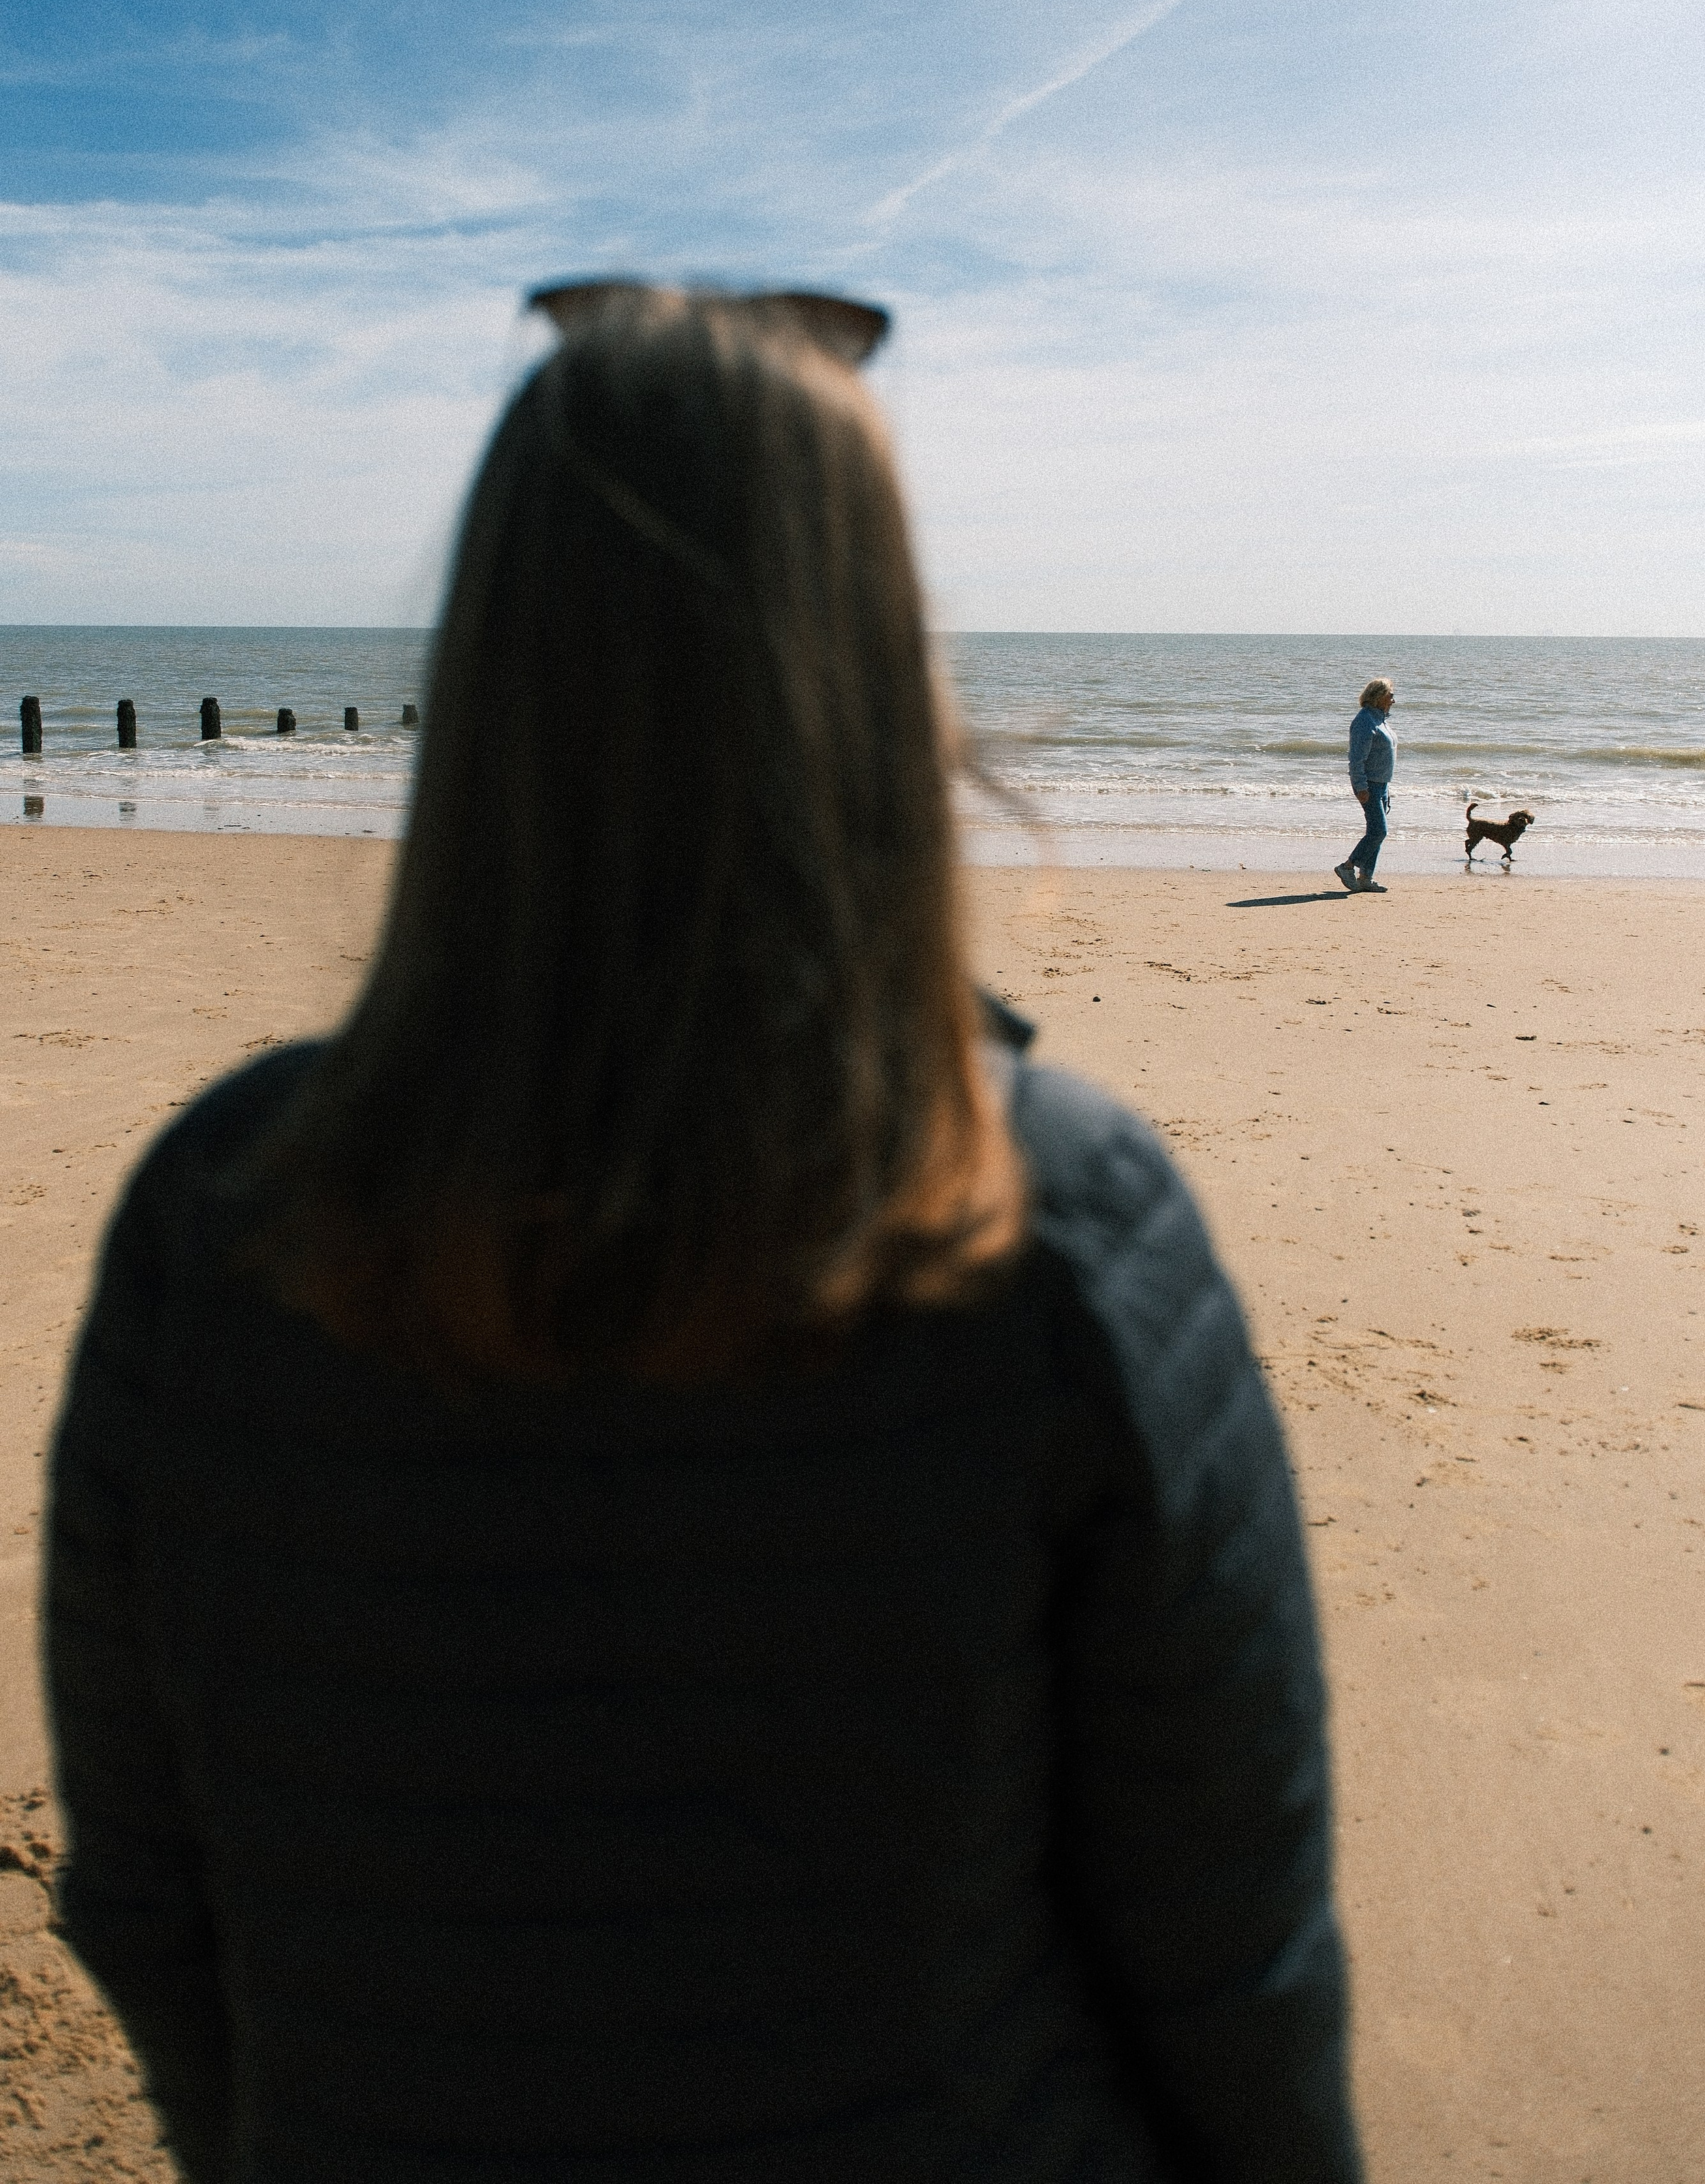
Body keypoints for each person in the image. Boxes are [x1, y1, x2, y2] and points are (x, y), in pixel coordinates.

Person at [46, 283, 1363, 2184]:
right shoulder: (1050, 1217)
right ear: (875, 663)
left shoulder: (227, 1203)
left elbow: (151, 1894)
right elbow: (1233, 1957)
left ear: (492, 663)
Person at [1335, 676, 1396, 894]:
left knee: (1376, 833)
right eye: (1390, 696)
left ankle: (1366, 879)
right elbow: (1356, 759)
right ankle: (1348, 867)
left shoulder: (1380, 720)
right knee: (1379, 832)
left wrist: (1387, 788)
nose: (1393, 700)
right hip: (1369, 785)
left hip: (1381, 785)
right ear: (1379, 697)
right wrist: (1360, 787)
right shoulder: (1364, 721)